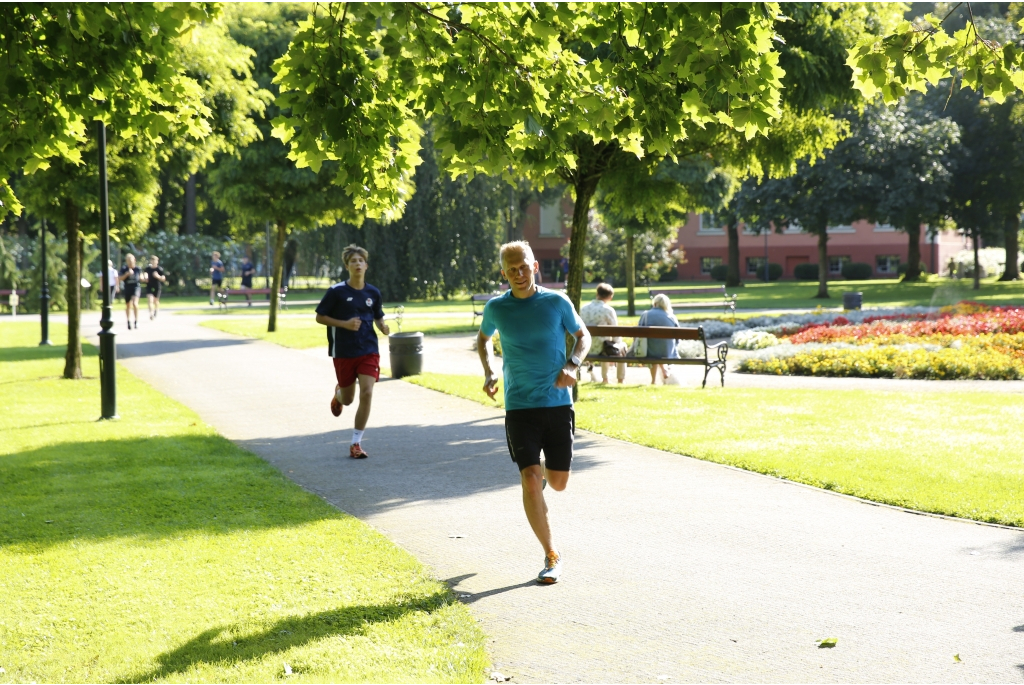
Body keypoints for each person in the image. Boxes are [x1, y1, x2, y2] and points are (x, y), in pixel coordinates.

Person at [478, 240, 591, 585]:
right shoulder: (497, 308)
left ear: (535, 266)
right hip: (519, 406)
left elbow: (582, 335)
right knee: (529, 479)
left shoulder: (556, 302)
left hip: (557, 404)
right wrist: (490, 370)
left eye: (523, 266)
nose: (519, 274)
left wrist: (572, 363)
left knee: (557, 483)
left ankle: (542, 472)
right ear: (504, 273)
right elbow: (483, 339)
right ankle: (551, 554)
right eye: (511, 269)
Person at [314, 244, 390, 459]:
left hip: (368, 349)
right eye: (353, 261)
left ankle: (356, 443)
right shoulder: (337, 292)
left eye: (361, 260)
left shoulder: (373, 292)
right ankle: (339, 394)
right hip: (344, 351)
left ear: (366, 265)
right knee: (348, 399)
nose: (357, 264)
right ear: (347, 266)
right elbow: (320, 317)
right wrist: (344, 324)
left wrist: (382, 326)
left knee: (367, 392)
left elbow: (377, 315)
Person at [579, 282, 626, 384]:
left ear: (597, 294)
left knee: (601, 341)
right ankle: (616, 379)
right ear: (610, 297)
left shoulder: (583, 308)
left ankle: (593, 373)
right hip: (603, 348)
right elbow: (615, 332)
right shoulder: (608, 310)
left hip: (584, 346)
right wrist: (617, 344)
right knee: (620, 346)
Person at [639, 293, 680, 385]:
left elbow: (638, 332)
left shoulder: (646, 314)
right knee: (663, 347)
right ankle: (665, 368)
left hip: (650, 350)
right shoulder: (672, 317)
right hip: (667, 351)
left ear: (655, 303)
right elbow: (678, 337)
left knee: (653, 346)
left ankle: (653, 381)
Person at [118, 254, 142, 329]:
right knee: (128, 305)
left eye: (131, 261)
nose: (130, 263)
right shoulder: (124, 269)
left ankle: (136, 321)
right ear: (127, 261)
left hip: (136, 287)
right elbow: (119, 278)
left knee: (135, 303)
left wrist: (144, 277)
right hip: (127, 287)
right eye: (128, 261)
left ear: (134, 260)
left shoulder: (138, 269)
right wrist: (127, 274)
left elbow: (141, 277)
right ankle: (128, 321)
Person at [144, 255, 167, 320]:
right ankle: (151, 314)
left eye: (155, 260)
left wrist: (158, 276)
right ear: (150, 261)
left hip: (157, 286)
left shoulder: (159, 269)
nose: (153, 262)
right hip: (149, 285)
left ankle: (156, 310)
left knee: (155, 300)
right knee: (150, 300)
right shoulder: (148, 268)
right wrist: (145, 277)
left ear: (157, 261)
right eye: (152, 260)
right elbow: (145, 274)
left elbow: (164, 278)